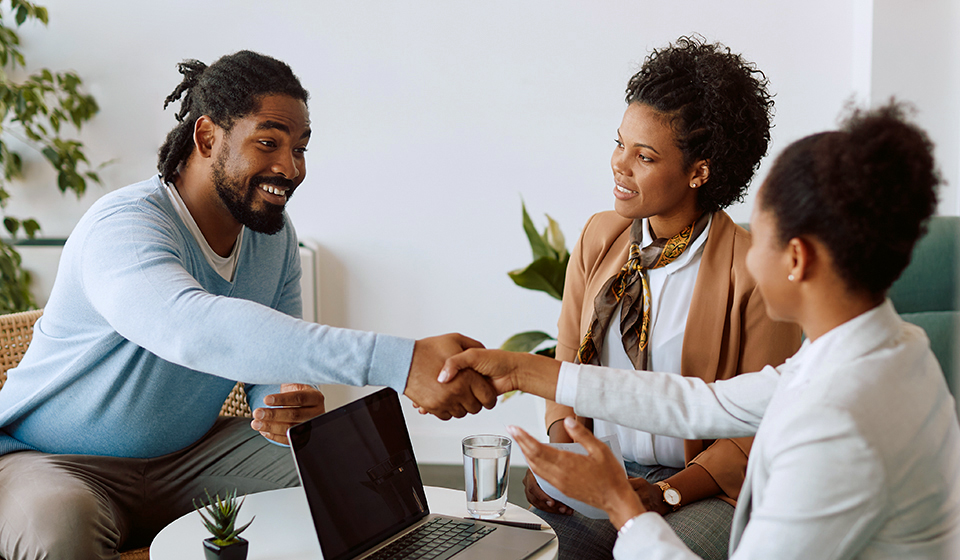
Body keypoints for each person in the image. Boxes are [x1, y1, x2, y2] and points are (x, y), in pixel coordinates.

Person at [0, 50, 495, 559]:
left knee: (348, 482)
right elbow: (190, 327)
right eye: (268, 143)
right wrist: (401, 361)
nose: (290, 168)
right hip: (49, 460)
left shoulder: (273, 240)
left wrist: (278, 403)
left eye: (300, 148)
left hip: (188, 457)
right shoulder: (123, 227)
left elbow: (271, 362)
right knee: (60, 526)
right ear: (208, 137)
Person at [441, 102, 960, 558]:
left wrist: (620, 501)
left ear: (796, 259)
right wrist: (520, 370)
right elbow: (695, 402)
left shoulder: (837, 427)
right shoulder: (891, 352)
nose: (748, 253)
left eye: (762, 238)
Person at [534, 36, 801, 560]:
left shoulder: (753, 273)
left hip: (703, 488)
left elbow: (759, 429)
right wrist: (560, 459)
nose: (619, 164)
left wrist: (664, 492)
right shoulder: (599, 236)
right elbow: (566, 359)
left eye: (645, 156)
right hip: (602, 467)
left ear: (699, 172)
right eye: (619, 143)